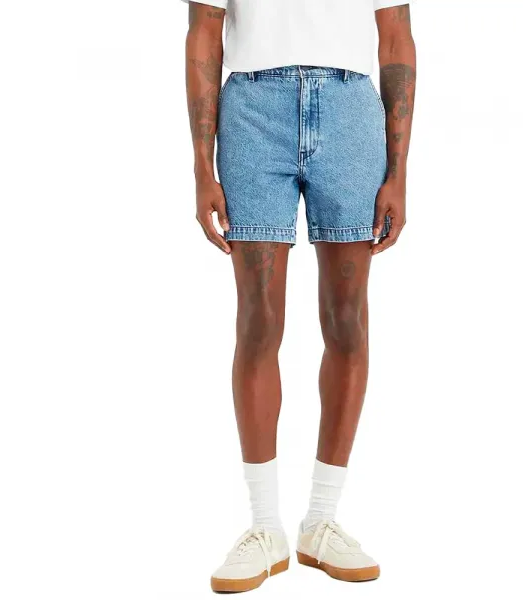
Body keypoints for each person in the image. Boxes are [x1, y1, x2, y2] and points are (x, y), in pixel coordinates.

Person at [184, 0, 416, 592]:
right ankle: (265, 527)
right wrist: (202, 168)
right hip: (252, 111)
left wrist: (399, 171)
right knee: (258, 321)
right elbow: (204, 33)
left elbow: (395, 38)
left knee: (347, 322)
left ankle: (322, 520)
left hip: (349, 111)